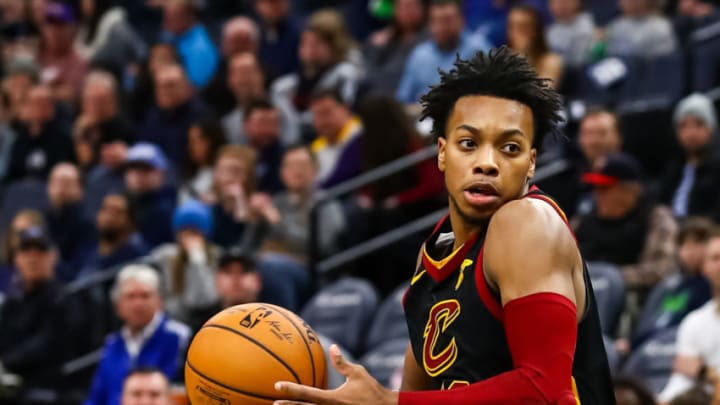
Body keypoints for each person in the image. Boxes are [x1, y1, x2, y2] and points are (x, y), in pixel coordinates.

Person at [273, 47, 614, 405]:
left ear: (531, 164)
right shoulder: (432, 258)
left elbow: (543, 389)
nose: (487, 163)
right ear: (441, 152)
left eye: (509, 148)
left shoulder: (527, 222)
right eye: (468, 143)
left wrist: (386, 402)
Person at [84, 264, 190, 405]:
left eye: (145, 295)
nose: (138, 304)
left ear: (159, 302)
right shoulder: (112, 344)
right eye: (130, 296)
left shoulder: (179, 338)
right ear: (118, 305)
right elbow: (96, 398)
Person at [574, 153, 678, 288]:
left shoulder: (656, 219)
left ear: (631, 191)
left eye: (605, 188)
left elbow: (660, 270)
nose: (597, 194)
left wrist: (607, 278)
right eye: (596, 187)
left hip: (633, 299)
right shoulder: (583, 220)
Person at [270, 9, 363, 140]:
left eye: (316, 44)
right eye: (304, 43)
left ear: (334, 46)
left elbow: (345, 110)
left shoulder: (345, 73)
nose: (309, 50)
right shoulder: (286, 86)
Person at [0, 226, 66, 399]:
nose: (33, 258)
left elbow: (45, 344)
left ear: (52, 257)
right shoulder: (12, 304)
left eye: (40, 252)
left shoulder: (62, 299)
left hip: (47, 391)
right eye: (26, 252)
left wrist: (5, 362)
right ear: (16, 259)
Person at [630, 217, 713, 348]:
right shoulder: (669, 285)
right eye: (683, 244)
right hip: (650, 345)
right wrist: (631, 344)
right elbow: (647, 323)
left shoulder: (712, 286)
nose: (689, 250)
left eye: (697, 242)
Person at [658, 228, 720, 403]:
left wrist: (704, 372)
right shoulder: (694, 322)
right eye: (715, 258)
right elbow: (682, 380)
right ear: (705, 268)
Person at [395, 0, 491, 105]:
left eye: (447, 21)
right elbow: (403, 99)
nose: (441, 27)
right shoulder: (419, 55)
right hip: (422, 116)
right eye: (435, 21)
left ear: (461, 20)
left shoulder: (478, 49)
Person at [149, 200, 220, 326]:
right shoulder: (166, 256)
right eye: (184, 230)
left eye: (194, 231)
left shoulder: (215, 256)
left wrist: (197, 259)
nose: (189, 237)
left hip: (204, 319)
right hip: (172, 319)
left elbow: (207, 299)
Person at [660, 93, 720, 222]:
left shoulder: (716, 169)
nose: (691, 133)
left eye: (698, 124)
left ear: (712, 128)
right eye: (683, 126)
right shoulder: (674, 168)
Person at [139, 64, 212, 166]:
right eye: (159, 86)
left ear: (187, 87)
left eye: (170, 86)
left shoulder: (202, 116)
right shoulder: (153, 116)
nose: (164, 91)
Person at [6, 85, 74, 183]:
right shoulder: (19, 140)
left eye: (45, 104)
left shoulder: (63, 139)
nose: (40, 108)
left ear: (52, 108)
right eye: (35, 104)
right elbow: (11, 177)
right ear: (26, 107)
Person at [73, 71, 135, 171]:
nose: (96, 107)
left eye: (101, 101)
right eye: (91, 100)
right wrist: (80, 136)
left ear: (113, 101)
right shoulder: (79, 125)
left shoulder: (125, 129)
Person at [362, 0, 428, 96]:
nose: (407, 12)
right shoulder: (386, 39)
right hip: (379, 95)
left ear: (422, 9)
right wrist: (376, 48)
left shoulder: (430, 39)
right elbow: (369, 72)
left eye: (411, 6)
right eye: (402, 7)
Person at [77, 193, 148, 279]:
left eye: (118, 212)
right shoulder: (87, 252)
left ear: (131, 223)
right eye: (105, 209)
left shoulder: (137, 259)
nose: (109, 216)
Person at [44, 163, 95, 281]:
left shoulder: (87, 224)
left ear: (80, 189)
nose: (61, 189)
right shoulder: (43, 220)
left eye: (67, 183)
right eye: (56, 183)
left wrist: (54, 263)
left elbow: (82, 271)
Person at [203, 17, 261, 117]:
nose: (240, 47)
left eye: (245, 41)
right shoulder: (215, 86)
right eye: (235, 42)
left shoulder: (270, 75)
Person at [76, 0, 147, 79]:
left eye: (88, 1)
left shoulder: (115, 24)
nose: (84, 4)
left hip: (114, 76)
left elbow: (140, 51)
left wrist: (137, 65)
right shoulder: (86, 25)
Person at [123, 143, 176, 248]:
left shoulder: (167, 211)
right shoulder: (119, 205)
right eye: (134, 168)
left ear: (161, 173)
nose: (139, 174)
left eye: (146, 169)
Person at [309, 89, 363, 189]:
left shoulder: (363, 134)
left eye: (327, 113)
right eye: (317, 115)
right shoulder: (313, 150)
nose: (323, 121)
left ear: (345, 109)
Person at [38, 1, 89, 103]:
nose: (54, 30)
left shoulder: (79, 63)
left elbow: (70, 94)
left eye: (60, 24)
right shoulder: (35, 54)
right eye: (50, 23)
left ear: (72, 29)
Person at [160, 0, 219, 88]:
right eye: (166, 18)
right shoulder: (176, 38)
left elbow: (198, 84)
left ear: (189, 17)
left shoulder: (200, 47)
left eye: (172, 18)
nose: (165, 23)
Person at [210, 145, 257, 247]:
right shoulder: (206, 207)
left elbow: (246, 244)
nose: (229, 177)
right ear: (215, 174)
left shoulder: (258, 207)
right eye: (223, 171)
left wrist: (240, 203)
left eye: (236, 172)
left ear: (248, 176)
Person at [507, 5, 563, 88]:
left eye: (524, 27)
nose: (518, 32)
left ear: (536, 30)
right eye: (513, 27)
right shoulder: (500, 62)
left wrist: (522, 54)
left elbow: (542, 94)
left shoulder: (552, 61)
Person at [603, 0, 678, 59]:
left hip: (652, 74)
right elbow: (610, 57)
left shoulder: (661, 26)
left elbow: (665, 59)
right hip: (622, 74)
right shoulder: (616, 26)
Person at [221, 52, 268, 145]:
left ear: (262, 76)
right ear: (230, 81)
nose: (245, 78)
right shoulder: (227, 125)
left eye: (249, 72)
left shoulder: (281, 111)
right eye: (240, 74)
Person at [243, 98, 285, 194]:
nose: (267, 129)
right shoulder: (237, 159)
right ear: (246, 126)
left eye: (273, 123)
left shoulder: (286, 158)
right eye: (262, 123)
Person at [179, 119, 226, 204]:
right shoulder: (187, 173)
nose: (191, 147)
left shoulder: (223, 174)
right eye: (190, 141)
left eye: (196, 141)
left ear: (211, 142)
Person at [254, 0, 302, 78]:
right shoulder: (254, 32)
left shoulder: (300, 32)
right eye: (269, 2)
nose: (273, 7)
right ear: (258, 5)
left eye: (277, 2)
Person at [547, 0, 595, 67]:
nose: (559, 5)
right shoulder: (551, 29)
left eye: (564, 2)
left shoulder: (586, 25)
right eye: (555, 2)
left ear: (577, 2)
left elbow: (578, 63)